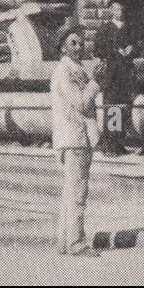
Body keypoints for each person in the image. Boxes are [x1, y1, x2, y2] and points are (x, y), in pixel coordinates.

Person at [50, 28, 105, 256]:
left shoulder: (71, 69)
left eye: (80, 43)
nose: (79, 47)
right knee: (78, 192)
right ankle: (77, 243)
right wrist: (95, 82)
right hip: (75, 138)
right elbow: (80, 103)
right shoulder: (65, 72)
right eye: (73, 43)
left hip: (73, 137)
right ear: (63, 47)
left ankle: (65, 241)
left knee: (70, 192)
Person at [95, 0, 136, 156]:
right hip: (112, 75)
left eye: (122, 9)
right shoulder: (105, 29)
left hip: (126, 74)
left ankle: (120, 142)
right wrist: (115, 51)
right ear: (111, 10)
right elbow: (98, 50)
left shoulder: (129, 28)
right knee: (112, 109)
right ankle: (110, 145)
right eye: (117, 9)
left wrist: (131, 49)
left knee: (124, 107)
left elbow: (140, 45)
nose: (120, 12)